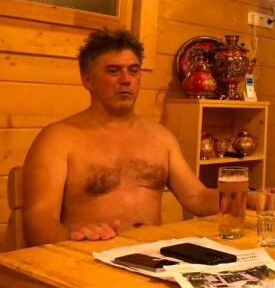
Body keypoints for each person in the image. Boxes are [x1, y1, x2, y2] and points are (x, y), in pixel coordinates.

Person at [22, 29, 220, 246]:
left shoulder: (161, 138)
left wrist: (240, 197)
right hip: (89, 256)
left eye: (133, 71)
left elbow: (197, 197)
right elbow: (38, 219)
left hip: (156, 256)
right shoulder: (58, 139)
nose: (126, 80)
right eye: (113, 71)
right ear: (87, 79)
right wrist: (73, 240)